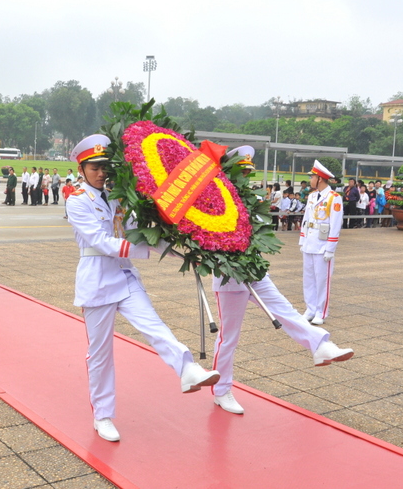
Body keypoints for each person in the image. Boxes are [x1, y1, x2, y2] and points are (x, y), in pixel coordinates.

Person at [66, 134, 219, 442]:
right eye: (93, 167)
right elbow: (102, 243)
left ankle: (187, 369)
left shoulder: (119, 197)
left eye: (104, 166)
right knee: (100, 354)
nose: (100, 172)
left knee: (154, 325)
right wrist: (146, 250)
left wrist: (180, 249)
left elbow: (140, 233)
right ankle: (103, 415)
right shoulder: (77, 201)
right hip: (96, 280)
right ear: (81, 170)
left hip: (124, 276)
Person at [211, 147, 353, 414]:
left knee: (285, 310)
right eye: (241, 173)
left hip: (254, 270)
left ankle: (321, 345)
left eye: (248, 173)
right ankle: (221, 390)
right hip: (229, 276)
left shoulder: (251, 200)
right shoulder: (215, 200)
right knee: (229, 338)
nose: (246, 178)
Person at [300, 160, 343, 325]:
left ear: (320, 179)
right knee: (308, 278)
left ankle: (321, 312)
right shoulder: (311, 196)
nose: (310, 179)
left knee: (322, 279)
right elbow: (306, 220)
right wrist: (302, 240)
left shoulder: (334, 198)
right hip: (310, 243)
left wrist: (330, 249)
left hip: (323, 245)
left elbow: (335, 224)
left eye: (312, 177)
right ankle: (310, 309)